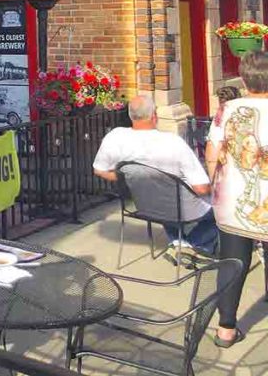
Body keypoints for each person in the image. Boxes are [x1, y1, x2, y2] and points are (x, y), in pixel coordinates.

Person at [92, 95, 216, 257]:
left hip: (142, 204)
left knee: (161, 192)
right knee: (225, 211)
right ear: (154, 116)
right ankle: (192, 243)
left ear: (130, 115)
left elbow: (99, 170)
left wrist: (131, 179)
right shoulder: (173, 142)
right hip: (179, 208)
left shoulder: (115, 137)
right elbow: (201, 188)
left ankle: (177, 242)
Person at [206, 51, 268, 348]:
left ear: (244, 79)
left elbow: (211, 153)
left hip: (231, 200)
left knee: (232, 261)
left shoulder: (227, 108)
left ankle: (226, 329)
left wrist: (214, 181)